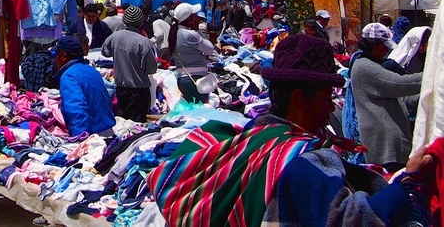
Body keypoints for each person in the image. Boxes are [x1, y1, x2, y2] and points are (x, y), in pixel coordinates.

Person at [148, 33, 434, 226]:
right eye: (325, 99)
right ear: (298, 99)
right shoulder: (303, 161)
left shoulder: (254, 138)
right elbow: (353, 221)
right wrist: (405, 182)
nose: (331, 108)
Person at [349, 22, 423, 166]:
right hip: (385, 148)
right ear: (374, 45)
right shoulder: (366, 67)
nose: (386, 51)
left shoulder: (369, 64)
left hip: (387, 144)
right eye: (384, 47)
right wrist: (432, 76)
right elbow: (401, 84)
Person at [101, 6, 158, 122]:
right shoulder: (144, 42)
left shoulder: (114, 37)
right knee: (138, 126)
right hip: (139, 91)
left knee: (123, 124)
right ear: (140, 22)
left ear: (124, 21)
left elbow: (105, 52)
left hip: (121, 89)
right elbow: (151, 69)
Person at [51, 36, 116, 137]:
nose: (54, 59)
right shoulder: (91, 70)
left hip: (92, 136)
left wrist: (79, 139)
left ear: (63, 56)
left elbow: (77, 109)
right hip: (108, 131)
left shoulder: (69, 76)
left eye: (55, 54)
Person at [167, 2, 217, 103]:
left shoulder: (175, 33)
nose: (198, 18)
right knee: (199, 113)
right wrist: (197, 30)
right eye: (195, 15)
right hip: (195, 79)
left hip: (183, 78)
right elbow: (210, 49)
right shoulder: (191, 35)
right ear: (190, 20)